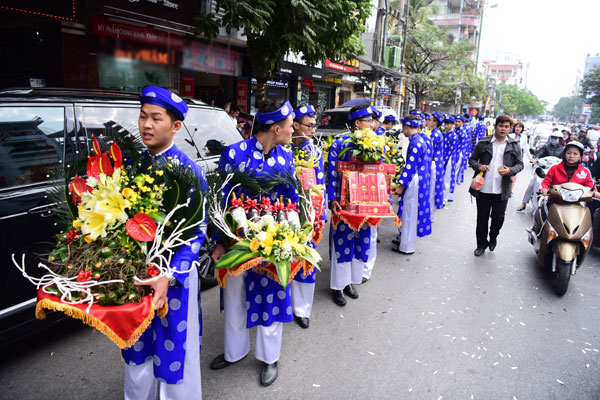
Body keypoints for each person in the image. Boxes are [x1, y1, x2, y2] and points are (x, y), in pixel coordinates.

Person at [122, 86, 207, 400]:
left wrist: (169, 276)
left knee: (174, 354)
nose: (146, 124)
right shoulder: (134, 166)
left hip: (174, 277)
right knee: (136, 348)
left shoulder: (190, 172)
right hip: (137, 275)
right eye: (143, 116)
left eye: (156, 118)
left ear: (175, 126)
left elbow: (198, 232)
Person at [210, 99, 298, 386]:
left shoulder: (286, 157)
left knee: (270, 294)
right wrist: (218, 242)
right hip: (237, 241)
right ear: (275, 128)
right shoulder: (234, 153)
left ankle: (270, 357)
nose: (293, 128)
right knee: (235, 295)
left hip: (273, 241)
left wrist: (293, 236)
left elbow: (292, 199)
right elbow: (220, 198)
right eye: (289, 125)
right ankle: (234, 352)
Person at [327, 104, 377, 303]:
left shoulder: (375, 144)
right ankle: (337, 286)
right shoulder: (339, 144)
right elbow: (332, 173)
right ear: (357, 123)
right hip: (343, 203)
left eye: (372, 121)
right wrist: (332, 199)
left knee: (359, 241)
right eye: (368, 121)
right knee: (342, 242)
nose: (372, 125)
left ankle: (350, 281)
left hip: (364, 203)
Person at [289, 105, 327, 329]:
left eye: (315, 126)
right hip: (284, 212)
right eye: (309, 125)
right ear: (295, 125)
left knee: (305, 259)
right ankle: (285, 302)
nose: (313, 130)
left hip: (307, 213)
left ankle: (302, 309)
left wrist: (317, 216)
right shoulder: (282, 147)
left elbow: (319, 186)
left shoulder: (313, 151)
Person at [468, 115, 524, 256]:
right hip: (483, 188)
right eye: (500, 126)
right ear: (495, 126)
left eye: (506, 127)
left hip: (502, 189)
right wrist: (479, 166)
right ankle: (481, 244)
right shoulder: (484, 143)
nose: (503, 129)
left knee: (498, 218)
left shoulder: (514, 145)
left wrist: (510, 170)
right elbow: (472, 159)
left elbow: (520, 165)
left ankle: (493, 237)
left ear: (509, 128)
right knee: (482, 218)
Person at [392, 115, 431, 254]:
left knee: (409, 213)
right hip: (418, 179)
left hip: (414, 180)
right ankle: (406, 243)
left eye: (404, 127)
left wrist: (401, 186)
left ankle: (406, 247)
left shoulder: (415, 143)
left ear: (407, 127)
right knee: (410, 212)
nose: (403, 130)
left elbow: (410, 166)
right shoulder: (419, 140)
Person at [516, 131, 564, 212]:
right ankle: (523, 203)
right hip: (544, 169)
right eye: (552, 137)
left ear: (560, 139)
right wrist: (535, 159)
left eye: (556, 138)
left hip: (556, 171)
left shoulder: (563, 148)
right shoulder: (546, 146)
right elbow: (539, 154)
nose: (554, 139)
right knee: (532, 183)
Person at [428, 112, 445, 214]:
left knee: (431, 190)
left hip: (434, 164)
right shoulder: (435, 133)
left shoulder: (434, 135)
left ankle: (430, 214)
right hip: (436, 163)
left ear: (435, 123)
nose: (427, 121)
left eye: (430, 120)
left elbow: (430, 150)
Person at [442, 116, 459, 203]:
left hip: (449, 160)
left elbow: (450, 150)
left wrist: (444, 161)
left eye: (448, 124)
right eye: (445, 124)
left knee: (446, 180)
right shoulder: (443, 134)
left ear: (452, 125)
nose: (446, 126)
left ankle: (444, 199)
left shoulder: (454, 136)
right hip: (442, 159)